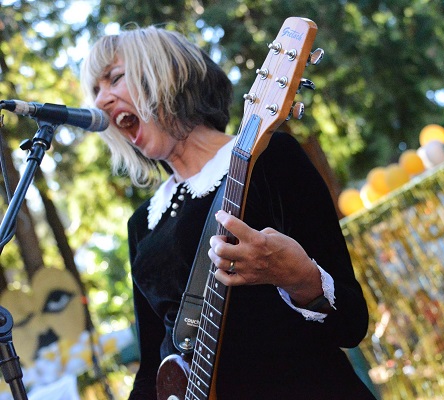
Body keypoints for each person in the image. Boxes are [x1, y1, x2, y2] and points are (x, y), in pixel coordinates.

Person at [81, 23, 375, 399]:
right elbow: (154, 367)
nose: (101, 101)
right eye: (95, 91)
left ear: (168, 72)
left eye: (115, 78)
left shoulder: (270, 158)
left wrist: (300, 277)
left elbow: (351, 322)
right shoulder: (142, 224)